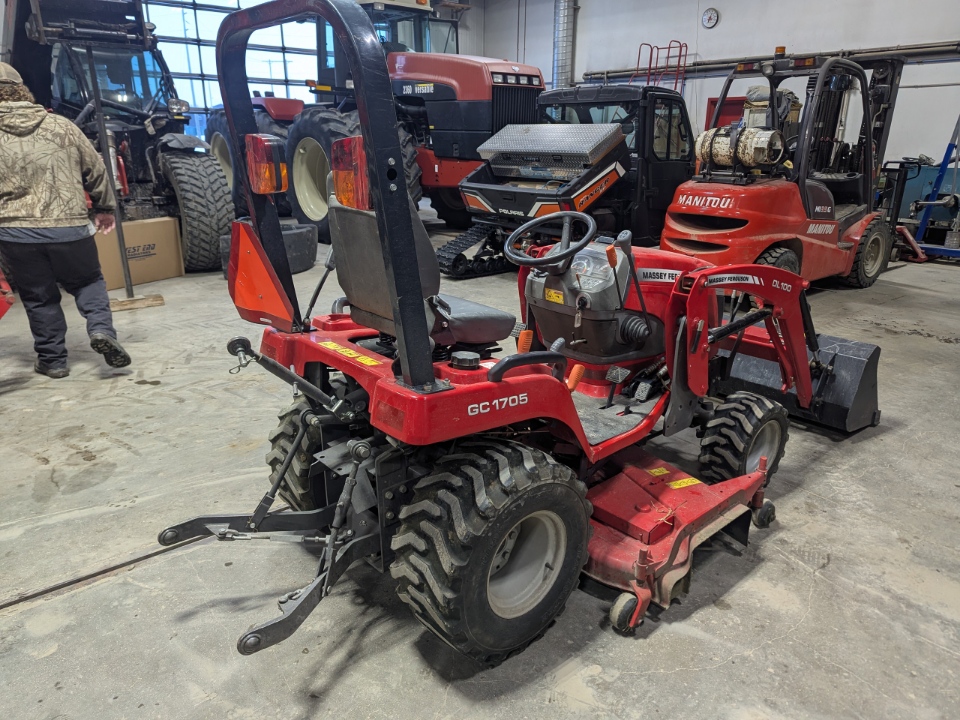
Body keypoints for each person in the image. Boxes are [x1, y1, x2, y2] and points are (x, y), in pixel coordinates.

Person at [0, 61, 131, 378]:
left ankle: (53, 361)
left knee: (38, 296)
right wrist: (104, 208)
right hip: (69, 227)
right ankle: (101, 331)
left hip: (15, 233)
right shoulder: (62, 126)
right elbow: (97, 170)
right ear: (21, 90)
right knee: (88, 282)